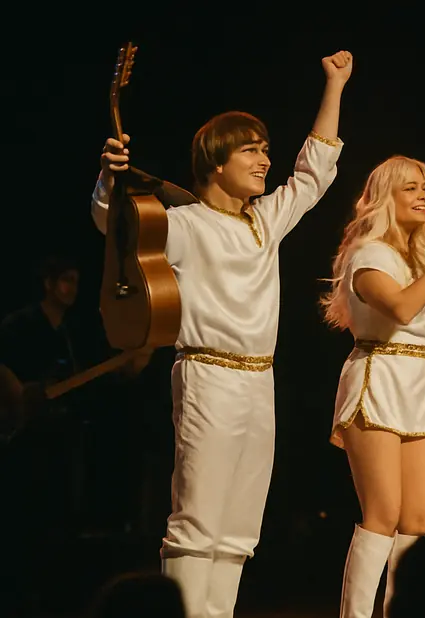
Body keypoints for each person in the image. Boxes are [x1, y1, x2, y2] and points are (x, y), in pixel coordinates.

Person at [92, 49, 354, 618]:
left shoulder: (264, 221)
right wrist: (108, 177)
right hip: (207, 374)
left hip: (259, 383)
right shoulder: (182, 224)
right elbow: (112, 222)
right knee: (198, 520)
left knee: (239, 526)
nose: (265, 159)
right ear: (214, 162)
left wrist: (333, 85)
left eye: (265, 148)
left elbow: (314, 172)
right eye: (251, 150)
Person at [321, 156, 425, 617]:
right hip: (377, 379)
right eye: (410, 188)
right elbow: (403, 310)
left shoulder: (422, 257)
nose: (424, 195)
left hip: (417, 389)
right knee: (383, 515)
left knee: (418, 521)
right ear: (386, 197)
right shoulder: (369, 255)